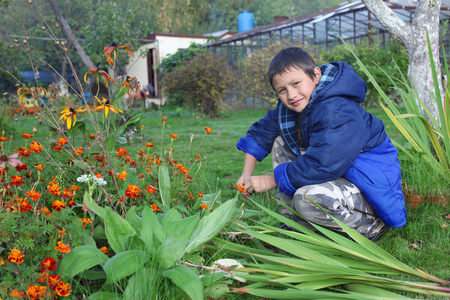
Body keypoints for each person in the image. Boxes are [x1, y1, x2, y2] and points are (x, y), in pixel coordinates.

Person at [236, 47, 406, 241]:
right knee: (280, 140)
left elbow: (325, 161)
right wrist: (246, 174)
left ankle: (369, 227)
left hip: (368, 183)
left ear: (316, 75)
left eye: (296, 83)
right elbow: (262, 132)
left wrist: (273, 180)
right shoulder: (298, 103)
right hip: (340, 173)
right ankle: (297, 223)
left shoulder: (337, 109)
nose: (291, 95)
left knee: (308, 198)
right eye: (282, 90)